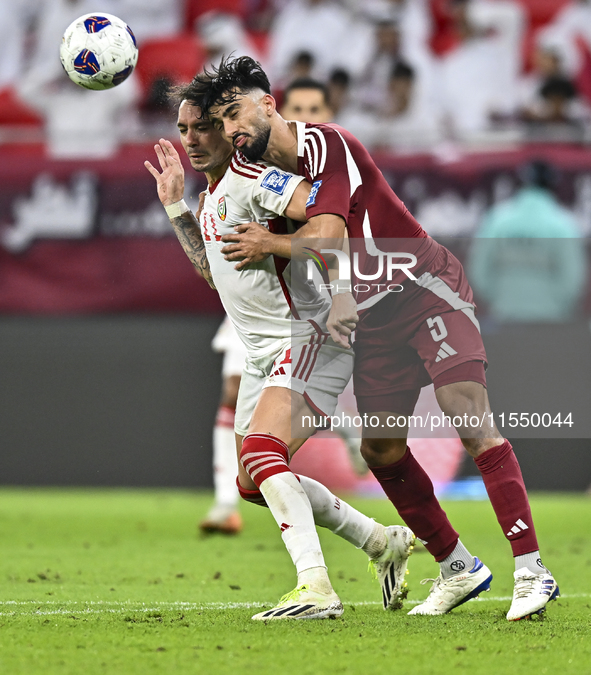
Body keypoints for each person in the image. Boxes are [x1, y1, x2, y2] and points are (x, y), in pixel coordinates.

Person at [188, 55, 560, 621]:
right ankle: (457, 566)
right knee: (380, 451)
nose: (232, 130)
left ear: (268, 103)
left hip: (423, 287)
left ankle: (533, 570)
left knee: (469, 417)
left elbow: (332, 235)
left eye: (236, 113)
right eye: (222, 120)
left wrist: (270, 243)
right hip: (373, 319)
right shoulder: (259, 171)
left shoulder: (327, 145)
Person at [144, 99, 415, 620]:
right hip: (261, 353)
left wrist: (329, 282)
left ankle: (316, 587)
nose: (193, 139)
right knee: (254, 481)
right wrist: (177, 207)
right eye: (183, 129)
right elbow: (214, 272)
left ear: (228, 128)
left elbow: (327, 220)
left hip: (309, 335)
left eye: (203, 127)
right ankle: (381, 542)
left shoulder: (255, 178)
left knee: (266, 452)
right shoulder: (214, 194)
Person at [468, 160, 587, 323]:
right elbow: (572, 279)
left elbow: (479, 270)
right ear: (553, 186)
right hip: (550, 321)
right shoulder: (563, 225)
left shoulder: (496, 221)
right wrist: (556, 305)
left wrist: (498, 299)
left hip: (504, 317)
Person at [199, 315, 247, 534]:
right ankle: (226, 502)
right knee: (233, 392)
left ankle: (346, 429)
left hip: (291, 301)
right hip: (245, 298)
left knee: (301, 389)